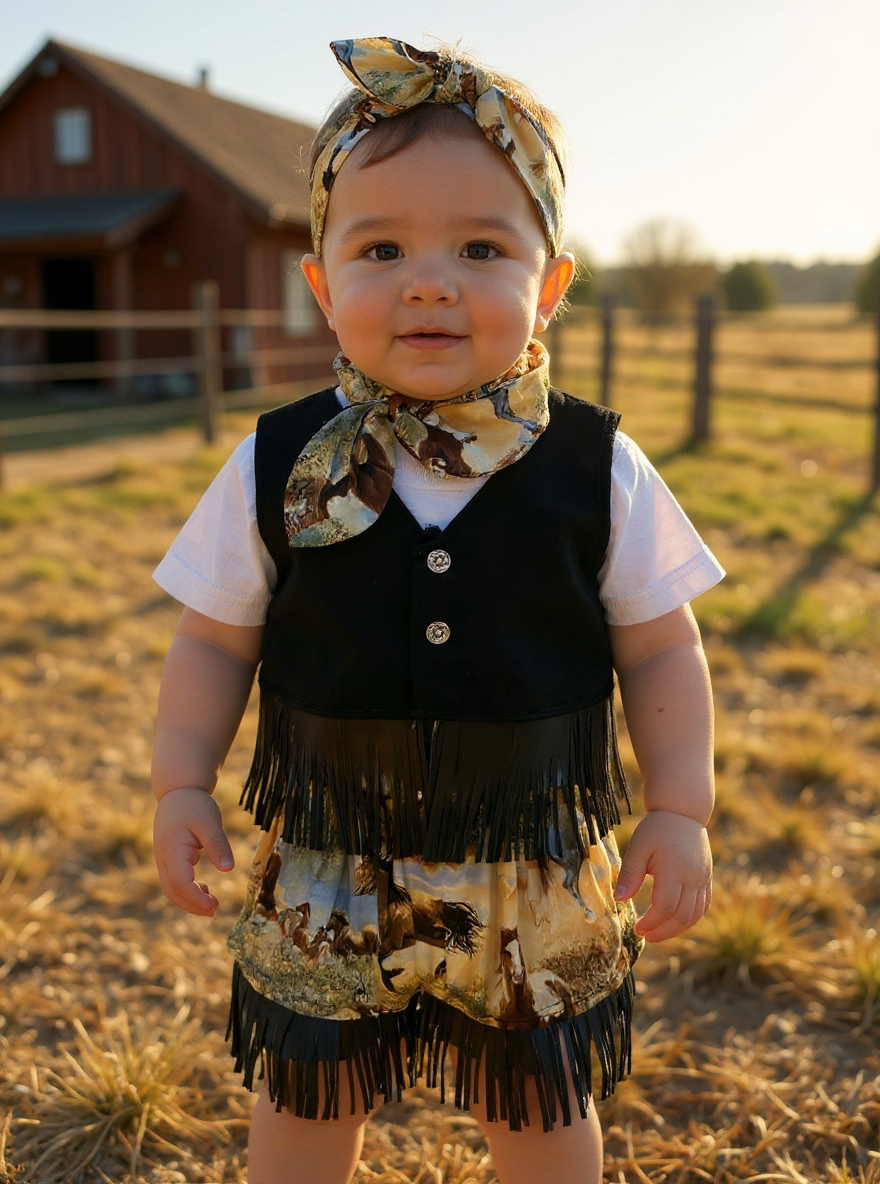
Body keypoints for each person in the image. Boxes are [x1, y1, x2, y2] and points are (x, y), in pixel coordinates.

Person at [151, 36, 723, 1184]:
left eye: (479, 246)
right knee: (309, 1089)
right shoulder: (277, 462)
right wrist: (179, 778)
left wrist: (681, 805)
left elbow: (660, 645)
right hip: (326, 864)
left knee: (538, 1100)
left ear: (548, 281)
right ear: (320, 279)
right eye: (380, 247)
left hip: (537, 859)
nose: (428, 278)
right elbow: (214, 636)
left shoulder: (595, 465)